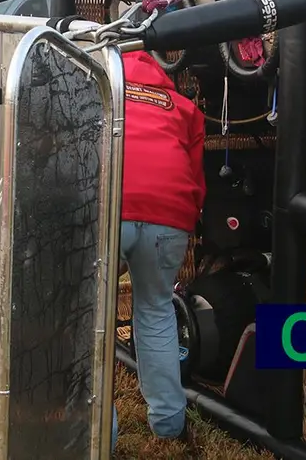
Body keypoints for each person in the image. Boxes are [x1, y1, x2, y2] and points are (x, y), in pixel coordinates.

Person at [115, 50, 206, 443]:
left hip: (111, 208)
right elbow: (197, 181)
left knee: (86, 318)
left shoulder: (101, 92)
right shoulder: (184, 108)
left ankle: (102, 436)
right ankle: (170, 424)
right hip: (171, 216)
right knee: (155, 310)